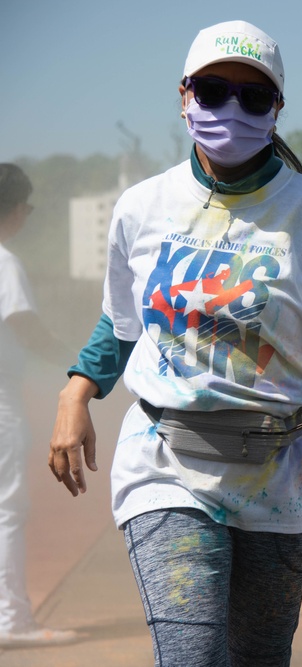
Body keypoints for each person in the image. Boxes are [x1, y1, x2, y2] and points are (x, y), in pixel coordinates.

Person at [46, 21, 302, 666]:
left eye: (253, 97)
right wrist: (78, 392)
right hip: (167, 464)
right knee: (191, 657)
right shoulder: (142, 208)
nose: (231, 111)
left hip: (282, 475)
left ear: (278, 109)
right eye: (214, 91)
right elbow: (123, 320)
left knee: (258, 659)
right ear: (184, 94)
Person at [0, 164, 78, 648]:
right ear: (17, 209)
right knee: (8, 508)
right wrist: (80, 366)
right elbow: (25, 325)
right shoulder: (5, 262)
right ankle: (12, 620)